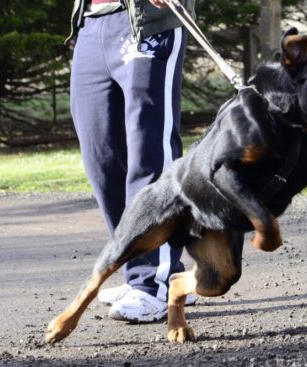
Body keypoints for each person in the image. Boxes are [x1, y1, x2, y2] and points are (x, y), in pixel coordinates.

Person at [67, 0, 196, 322]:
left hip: (149, 22)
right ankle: (140, 267)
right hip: (93, 22)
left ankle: (153, 280)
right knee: (102, 156)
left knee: (150, 152)